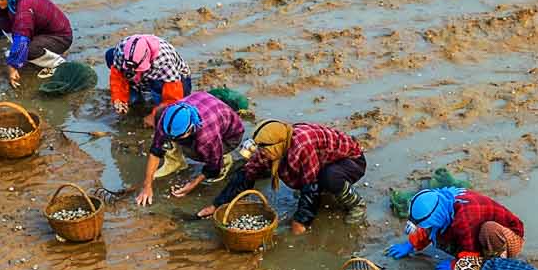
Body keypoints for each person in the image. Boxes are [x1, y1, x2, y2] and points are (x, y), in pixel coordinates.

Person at [199, 120, 366, 234]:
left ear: (277, 145)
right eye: (260, 149)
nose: (261, 153)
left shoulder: (301, 144)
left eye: (264, 149)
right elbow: (247, 174)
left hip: (351, 162)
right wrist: (218, 204)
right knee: (272, 167)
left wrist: (301, 222)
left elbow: (311, 185)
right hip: (323, 160)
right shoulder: (272, 145)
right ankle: (326, 192)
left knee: (328, 178)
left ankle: (356, 204)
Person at [135, 91, 245, 206]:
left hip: (231, 135)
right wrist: (147, 186)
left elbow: (213, 167)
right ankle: (176, 161)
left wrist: (192, 184)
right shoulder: (167, 116)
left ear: (190, 129)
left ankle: (224, 159)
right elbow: (156, 150)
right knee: (169, 139)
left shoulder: (206, 136)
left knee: (195, 153)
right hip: (207, 106)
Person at [388, 186, 525, 270]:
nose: (423, 228)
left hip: (507, 237)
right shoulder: (444, 200)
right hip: (475, 230)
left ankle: (494, 262)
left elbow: (471, 249)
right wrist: (410, 244)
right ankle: (476, 258)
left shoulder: (464, 218)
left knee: (489, 231)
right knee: (442, 233)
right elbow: (430, 228)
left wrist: (456, 265)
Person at [0, 0, 73, 85]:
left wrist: (13, 67)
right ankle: (35, 52)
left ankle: (57, 64)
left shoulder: (23, 10)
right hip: (42, 32)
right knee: (5, 25)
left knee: (27, 49)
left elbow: (22, 41)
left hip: (61, 37)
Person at [105, 34, 192, 121]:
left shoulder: (164, 62)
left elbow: (173, 99)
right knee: (110, 55)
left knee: (171, 111)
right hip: (146, 75)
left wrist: (154, 116)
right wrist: (119, 99)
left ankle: (156, 100)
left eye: (138, 70)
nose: (134, 72)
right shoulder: (121, 50)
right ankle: (135, 94)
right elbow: (118, 77)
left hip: (174, 80)